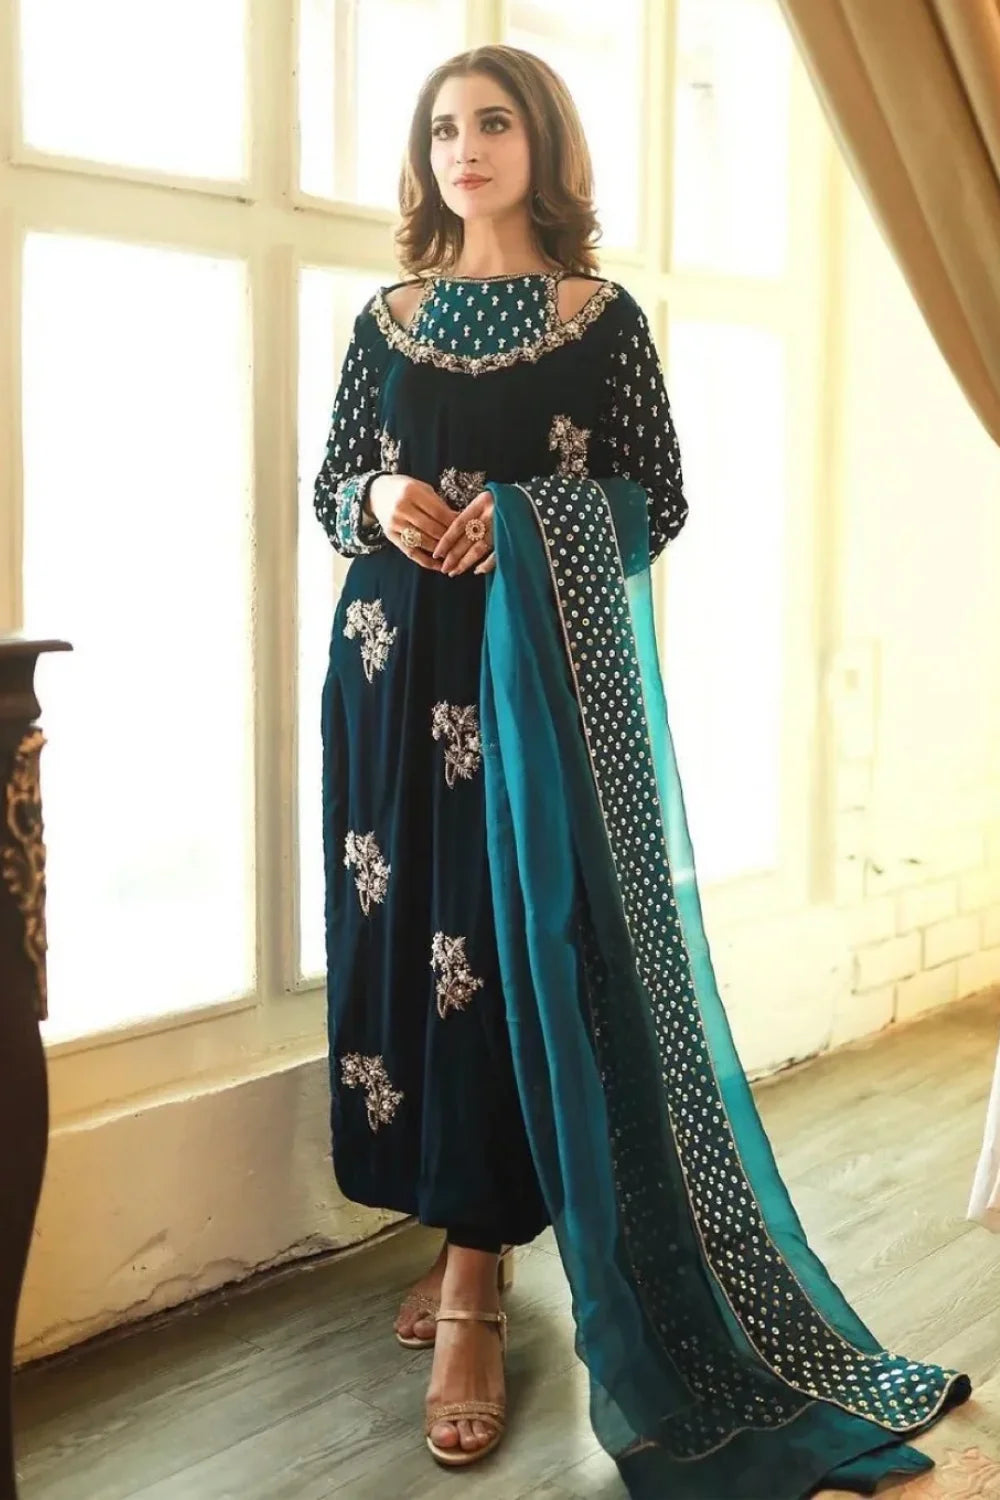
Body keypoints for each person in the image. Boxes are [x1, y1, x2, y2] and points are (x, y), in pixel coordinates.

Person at [314, 43, 971, 1496]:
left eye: (494, 123)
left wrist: (524, 519)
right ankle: (462, 1225)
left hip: (536, 690)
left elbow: (655, 496)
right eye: (443, 127)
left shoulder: (598, 319)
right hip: (391, 671)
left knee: (513, 949)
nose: (465, 148)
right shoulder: (385, 318)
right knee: (406, 950)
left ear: (543, 143)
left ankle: (474, 1287)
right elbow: (328, 488)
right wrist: (378, 492)